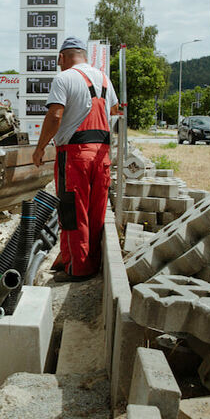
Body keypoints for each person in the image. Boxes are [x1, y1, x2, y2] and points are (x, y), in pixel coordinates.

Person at [32, 37, 121, 281]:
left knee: (72, 210)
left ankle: (77, 269)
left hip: (75, 156)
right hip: (102, 155)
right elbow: (112, 111)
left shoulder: (63, 78)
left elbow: (55, 115)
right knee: (95, 210)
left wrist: (40, 148)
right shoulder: (104, 79)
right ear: (84, 55)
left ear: (62, 57)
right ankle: (82, 261)